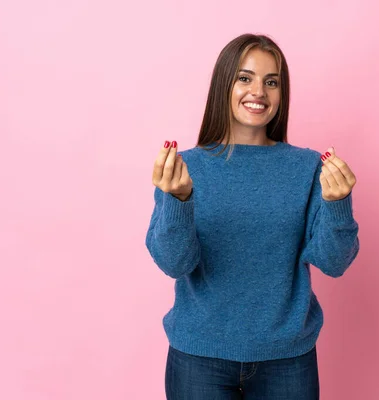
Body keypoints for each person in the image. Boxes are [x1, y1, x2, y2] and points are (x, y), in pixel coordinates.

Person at [145, 33, 360, 400]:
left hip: (287, 360)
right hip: (200, 358)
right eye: (245, 78)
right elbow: (173, 262)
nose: (258, 91)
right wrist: (179, 201)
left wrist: (338, 204)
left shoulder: (307, 168)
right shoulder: (187, 167)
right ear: (223, 85)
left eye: (271, 82)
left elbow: (334, 262)